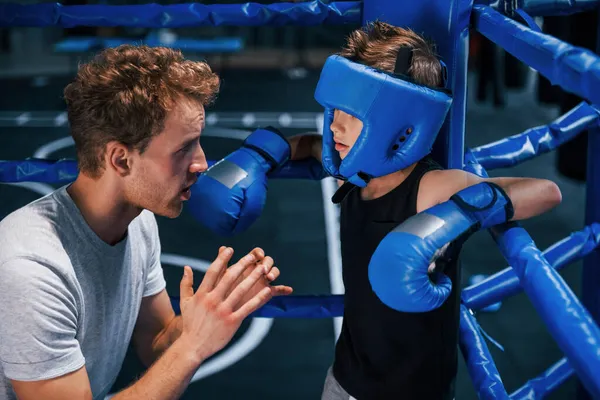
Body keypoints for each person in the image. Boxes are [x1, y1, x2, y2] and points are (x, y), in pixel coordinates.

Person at [286, 21, 563, 399]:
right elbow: (308, 144)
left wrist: (456, 215)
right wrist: (259, 157)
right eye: (334, 110)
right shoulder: (349, 171)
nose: (335, 125)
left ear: (399, 120)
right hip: (344, 381)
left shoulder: (431, 188)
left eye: (350, 113)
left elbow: (546, 192)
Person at [0, 45, 293, 400]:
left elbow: (155, 342)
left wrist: (212, 312)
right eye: (183, 148)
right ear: (121, 160)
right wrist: (194, 347)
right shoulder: (32, 269)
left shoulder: (137, 222)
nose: (201, 163)